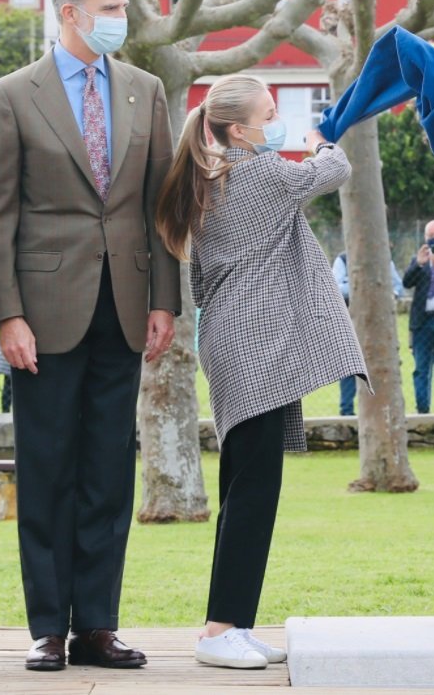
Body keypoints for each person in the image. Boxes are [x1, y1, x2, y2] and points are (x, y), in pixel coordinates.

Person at [0, 0, 180, 672]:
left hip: (124, 306)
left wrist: (164, 298)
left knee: (106, 471)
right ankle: (46, 627)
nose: (122, 15)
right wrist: (7, 315)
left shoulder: (144, 90)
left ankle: (97, 623)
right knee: (47, 467)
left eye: (123, 4)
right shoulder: (11, 94)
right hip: (42, 312)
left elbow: (163, 203)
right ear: (68, 11)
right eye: (110, 4)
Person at [155, 74, 367, 670]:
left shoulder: (211, 181)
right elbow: (332, 172)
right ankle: (220, 628)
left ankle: (234, 624)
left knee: (245, 488)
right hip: (256, 347)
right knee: (252, 492)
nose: (276, 122)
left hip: (238, 343)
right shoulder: (260, 174)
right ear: (238, 129)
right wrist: (323, 138)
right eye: (269, 113)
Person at [331, 250, 402, 416]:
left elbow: (397, 286)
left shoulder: (382, 257)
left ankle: (378, 411)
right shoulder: (343, 260)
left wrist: (387, 292)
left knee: (377, 367)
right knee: (349, 367)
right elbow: (336, 288)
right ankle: (346, 411)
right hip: (350, 323)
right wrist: (366, 284)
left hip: (377, 324)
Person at [402, 220, 434, 413]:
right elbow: (406, 283)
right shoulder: (418, 259)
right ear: (425, 238)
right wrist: (419, 264)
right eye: (431, 236)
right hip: (422, 323)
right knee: (421, 370)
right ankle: (422, 410)